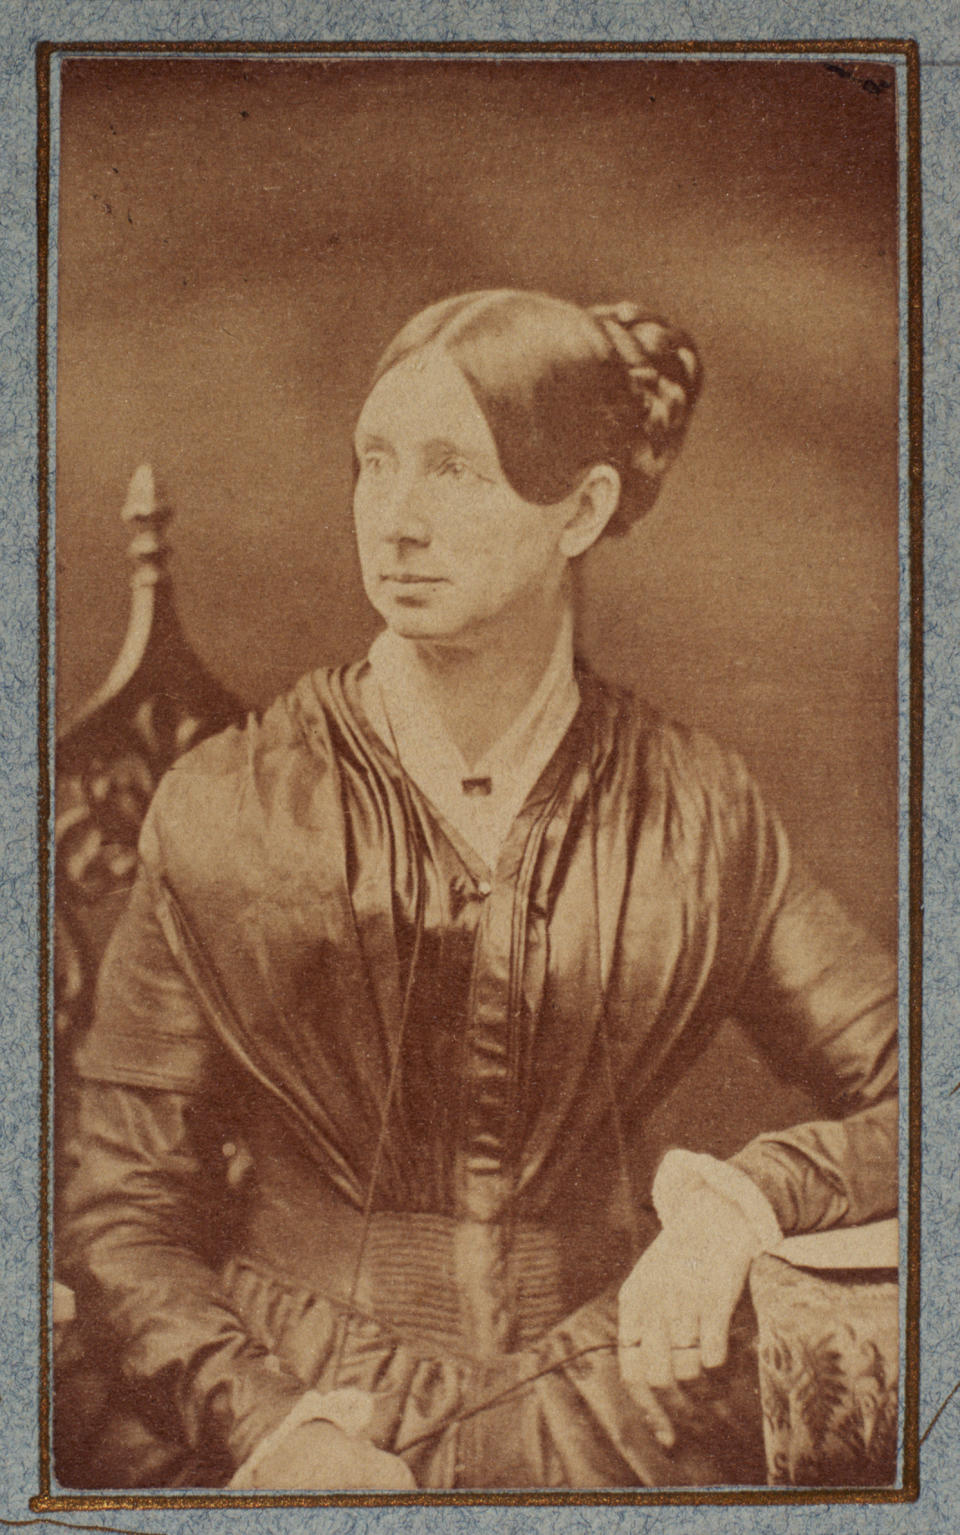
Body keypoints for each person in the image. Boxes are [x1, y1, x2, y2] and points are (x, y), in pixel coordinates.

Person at [61, 290, 898, 1491]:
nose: (395, 519)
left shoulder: (699, 808)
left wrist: (745, 1202)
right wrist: (270, 1425)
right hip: (291, 1396)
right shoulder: (228, 803)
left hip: (619, 1400)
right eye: (375, 462)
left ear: (584, 507)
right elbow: (119, 1211)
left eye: (454, 469)